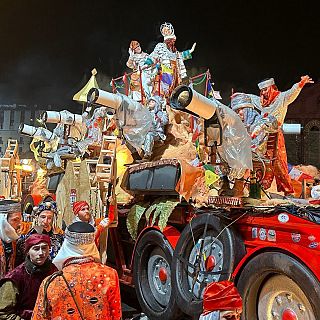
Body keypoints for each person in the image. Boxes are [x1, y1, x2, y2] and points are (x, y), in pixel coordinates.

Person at [32, 222, 122, 320]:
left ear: (66, 244)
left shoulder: (51, 282)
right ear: (92, 244)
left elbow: (39, 316)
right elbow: (116, 313)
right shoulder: (109, 275)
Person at [248, 75, 314, 194]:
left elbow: (292, 92)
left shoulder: (281, 98)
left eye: (265, 90)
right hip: (261, 136)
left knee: (279, 164)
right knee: (259, 162)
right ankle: (260, 188)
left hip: (275, 136)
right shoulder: (261, 102)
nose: (263, 93)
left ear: (272, 88)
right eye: (261, 90)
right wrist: (237, 96)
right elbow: (248, 98)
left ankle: (287, 191)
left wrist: (300, 84)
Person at [0, 234, 57, 320]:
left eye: (44, 248)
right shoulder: (15, 277)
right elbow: (4, 313)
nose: (41, 253)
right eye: (36, 249)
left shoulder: (54, 270)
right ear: (28, 252)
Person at [149, 22, 196, 97]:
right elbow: (153, 56)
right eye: (164, 31)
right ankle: (164, 100)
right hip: (166, 69)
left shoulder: (174, 50)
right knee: (167, 86)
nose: (166, 32)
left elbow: (179, 56)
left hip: (175, 70)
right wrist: (146, 63)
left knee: (177, 87)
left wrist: (190, 51)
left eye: (168, 30)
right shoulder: (160, 46)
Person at [15, 200, 64, 266]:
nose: (45, 221)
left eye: (49, 218)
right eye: (43, 217)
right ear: (37, 217)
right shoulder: (24, 239)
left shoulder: (60, 239)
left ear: (53, 220)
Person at [141, 95, 168, 161]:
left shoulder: (159, 113)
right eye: (150, 101)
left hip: (157, 133)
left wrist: (163, 111)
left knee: (149, 135)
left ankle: (147, 155)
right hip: (147, 131)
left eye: (153, 102)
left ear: (157, 104)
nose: (150, 102)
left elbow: (165, 121)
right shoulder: (147, 112)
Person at [0, 200, 22, 279]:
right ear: (3, 220)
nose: (19, 224)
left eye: (19, 220)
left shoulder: (13, 242)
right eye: (15, 220)